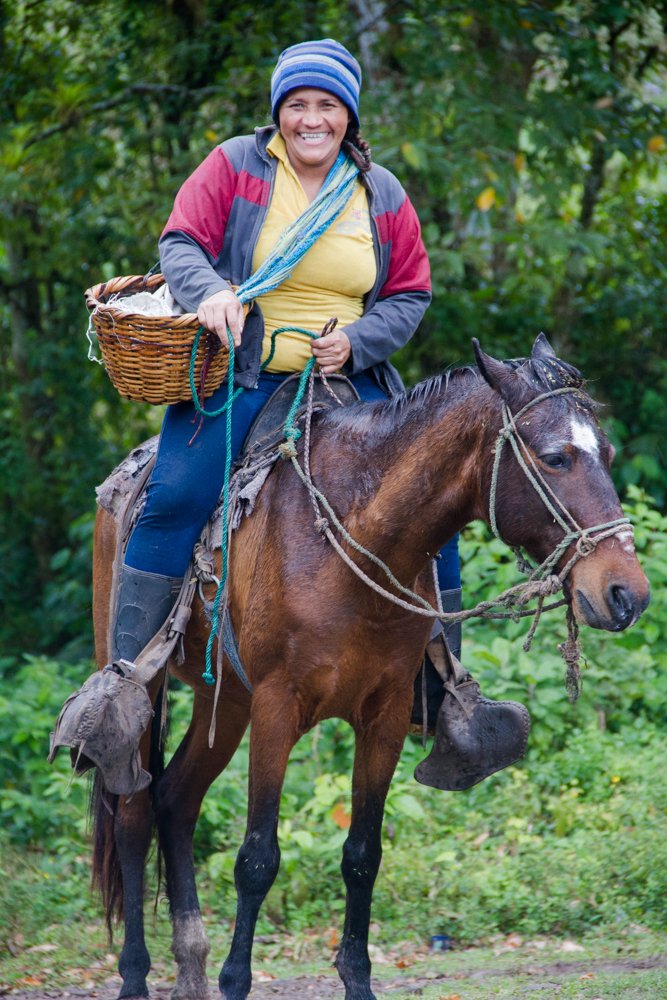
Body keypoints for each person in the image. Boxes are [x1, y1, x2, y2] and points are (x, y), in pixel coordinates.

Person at [56, 38, 527, 794]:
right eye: (298, 104)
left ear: (348, 116)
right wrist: (208, 288)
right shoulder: (236, 167)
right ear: (279, 112)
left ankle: (445, 701)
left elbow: (409, 292)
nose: (312, 118)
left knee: (435, 506)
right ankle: (118, 695)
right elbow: (179, 241)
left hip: (348, 377)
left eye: (327, 105)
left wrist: (358, 339)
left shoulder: (380, 193)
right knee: (174, 498)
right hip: (241, 375)